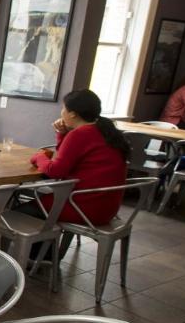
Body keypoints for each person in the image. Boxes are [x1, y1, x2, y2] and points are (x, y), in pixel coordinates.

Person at [29, 89, 129, 226]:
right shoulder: (104, 129)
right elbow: (67, 158)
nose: (61, 112)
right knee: (41, 204)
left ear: (73, 114)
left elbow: (55, 170)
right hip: (107, 208)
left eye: (63, 108)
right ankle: (47, 246)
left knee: (22, 211)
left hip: (82, 207)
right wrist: (62, 133)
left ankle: (34, 246)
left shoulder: (80, 134)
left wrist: (38, 157)